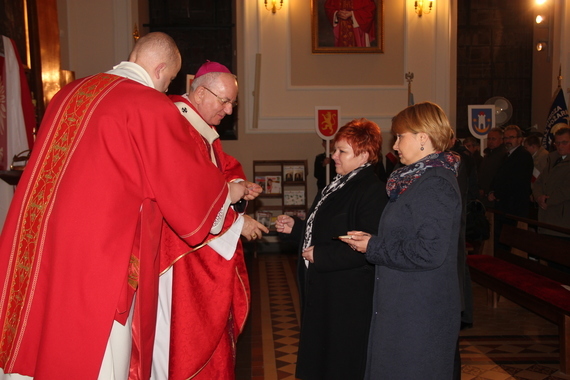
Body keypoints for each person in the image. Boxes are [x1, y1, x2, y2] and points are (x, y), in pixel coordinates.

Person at [0, 32, 253, 379]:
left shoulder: (67, 93)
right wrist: (231, 193)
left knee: (39, 331)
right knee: (89, 353)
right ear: (161, 69)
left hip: (40, 243)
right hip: (98, 258)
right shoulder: (148, 105)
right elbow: (193, 207)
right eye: (167, 81)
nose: (166, 89)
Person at [153, 61, 268, 380]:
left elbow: (218, 170)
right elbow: (186, 197)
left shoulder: (198, 128)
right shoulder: (177, 123)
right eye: (224, 101)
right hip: (177, 255)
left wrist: (238, 186)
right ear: (201, 93)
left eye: (233, 102)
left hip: (190, 246)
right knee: (177, 340)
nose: (229, 110)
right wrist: (236, 222)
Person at [345, 102, 462, 379]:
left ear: (423, 138)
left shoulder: (435, 183)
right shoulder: (414, 179)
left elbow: (429, 251)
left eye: (400, 136)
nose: (395, 144)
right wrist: (371, 239)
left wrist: (373, 246)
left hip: (421, 311)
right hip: (405, 305)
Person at [276, 118, 387, 380]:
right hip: (326, 288)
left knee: (341, 361)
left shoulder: (372, 190)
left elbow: (367, 244)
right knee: (323, 358)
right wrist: (297, 228)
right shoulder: (339, 183)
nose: (333, 156)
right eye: (335, 150)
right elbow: (325, 230)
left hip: (347, 295)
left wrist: (322, 255)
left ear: (364, 155)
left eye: (341, 151)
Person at [488, 125, 534, 248]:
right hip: (504, 206)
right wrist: (492, 190)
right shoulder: (506, 155)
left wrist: (498, 194)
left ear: (520, 139)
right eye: (506, 138)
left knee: (512, 244)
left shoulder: (523, 156)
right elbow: (498, 177)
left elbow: (516, 182)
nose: (508, 140)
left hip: (514, 207)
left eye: (511, 137)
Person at [533, 127, 570, 237]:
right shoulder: (552, 159)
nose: (560, 146)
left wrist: (547, 200)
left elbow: (566, 189)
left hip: (562, 219)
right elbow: (539, 182)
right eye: (557, 143)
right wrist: (538, 197)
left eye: (564, 142)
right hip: (546, 216)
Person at [477, 127, 507, 208]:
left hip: (494, 197)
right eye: (489, 139)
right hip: (484, 196)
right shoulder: (487, 155)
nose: (490, 141)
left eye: (493, 139)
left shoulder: (504, 156)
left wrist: (493, 191)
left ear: (501, 140)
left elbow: (500, 177)